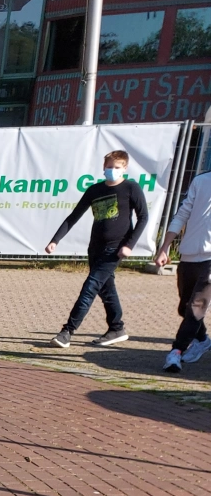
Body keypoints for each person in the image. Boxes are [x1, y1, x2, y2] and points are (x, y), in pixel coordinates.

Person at [44, 150, 149, 349]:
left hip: (115, 249)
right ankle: (117, 328)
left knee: (90, 287)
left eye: (116, 168)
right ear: (103, 167)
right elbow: (73, 217)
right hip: (95, 248)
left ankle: (67, 331)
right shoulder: (95, 190)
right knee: (106, 289)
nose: (112, 171)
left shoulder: (130, 188)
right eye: (109, 167)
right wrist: (55, 240)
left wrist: (129, 245)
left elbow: (143, 217)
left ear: (124, 168)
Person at [155, 166, 211, 374]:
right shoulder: (201, 181)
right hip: (188, 256)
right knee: (185, 307)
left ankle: (176, 352)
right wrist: (164, 247)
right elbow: (183, 213)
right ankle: (203, 340)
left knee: (197, 305)